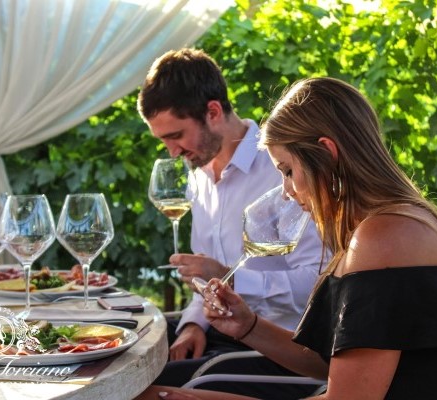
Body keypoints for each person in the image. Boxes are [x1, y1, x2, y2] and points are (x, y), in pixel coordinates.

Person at [135, 77, 437, 400]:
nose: (287, 192)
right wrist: (249, 326)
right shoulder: (404, 221)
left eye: (288, 171)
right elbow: (333, 364)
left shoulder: (381, 239)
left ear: (326, 154)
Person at [137, 48, 325, 399]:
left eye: (176, 135)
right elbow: (205, 276)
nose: (172, 152)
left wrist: (231, 277)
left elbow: (316, 285)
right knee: (125, 350)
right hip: (221, 330)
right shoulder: (200, 178)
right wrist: (195, 323)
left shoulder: (283, 173)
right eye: (163, 140)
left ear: (212, 111)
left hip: (283, 347)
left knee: (139, 386)